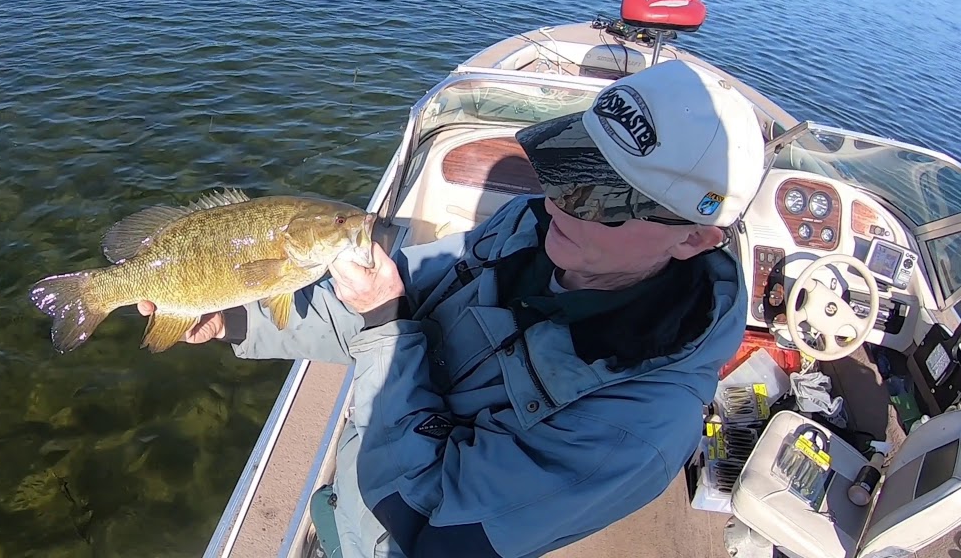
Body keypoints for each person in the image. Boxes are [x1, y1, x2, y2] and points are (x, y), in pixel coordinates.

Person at [140, 60, 769, 557]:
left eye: (603, 199)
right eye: (565, 170)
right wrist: (236, 318)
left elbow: (431, 528)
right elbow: (401, 286)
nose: (558, 204)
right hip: (351, 506)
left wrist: (386, 329)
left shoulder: (636, 429)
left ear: (694, 237)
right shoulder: (525, 229)